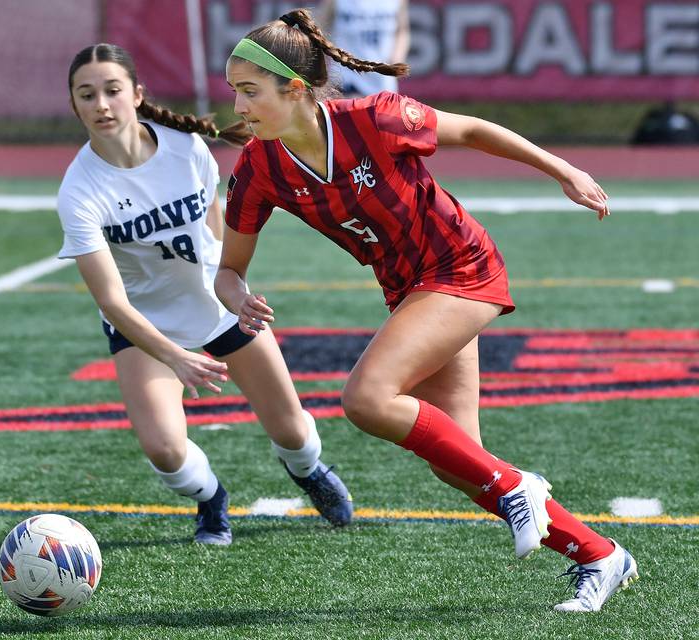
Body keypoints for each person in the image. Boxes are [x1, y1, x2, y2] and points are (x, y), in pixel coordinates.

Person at [215, 9, 639, 611]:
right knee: (460, 464)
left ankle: (519, 487)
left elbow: (472, 130)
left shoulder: (376, 117)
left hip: (460, 266)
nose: (237, 105)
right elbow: (229, 269)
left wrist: (563, 170)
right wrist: (236, 296)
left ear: (298, 89)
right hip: (409, 290)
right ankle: (600, 555)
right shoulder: (260, 167)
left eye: (250, 91)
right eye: (234, 90)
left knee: (366, 397)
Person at [56, 42, 353, 546]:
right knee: (166, 452)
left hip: (217, 310)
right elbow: (111, 303)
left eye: (112, 90)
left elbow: (217, 232)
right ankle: (211, 498)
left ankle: (307, 471)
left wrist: (232, 290)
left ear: (136, 94)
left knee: (294, 434)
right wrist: (176, 357)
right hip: (145, 326)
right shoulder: (79, 191)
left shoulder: (185, 147)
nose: (102, 105)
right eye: (87, 95)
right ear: (75, 105)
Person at [317, 0, 410, 97]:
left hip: (381, 77)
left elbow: (402, 30)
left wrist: (398, 56)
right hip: (346, 74)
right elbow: (320, 27)